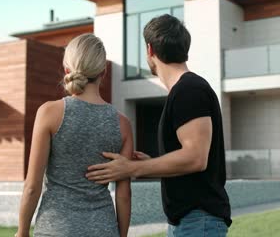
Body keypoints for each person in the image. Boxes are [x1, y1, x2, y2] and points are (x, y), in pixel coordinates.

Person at [86, 14, 231, 237]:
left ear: (150, 50)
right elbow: (189, 160)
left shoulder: (189, 90)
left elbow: (196, 157)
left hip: (198, 221)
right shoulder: (185, 91)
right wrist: (152, 164)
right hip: (189, 222)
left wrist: (132, 168)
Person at [15, 33, 132, 237]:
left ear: (67, 69)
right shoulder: (123, 124)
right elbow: (124, 196)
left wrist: (22, 231)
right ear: (103, 71)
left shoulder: (49, 113)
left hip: (55, 229)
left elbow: (32, 186)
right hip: (103, 230)